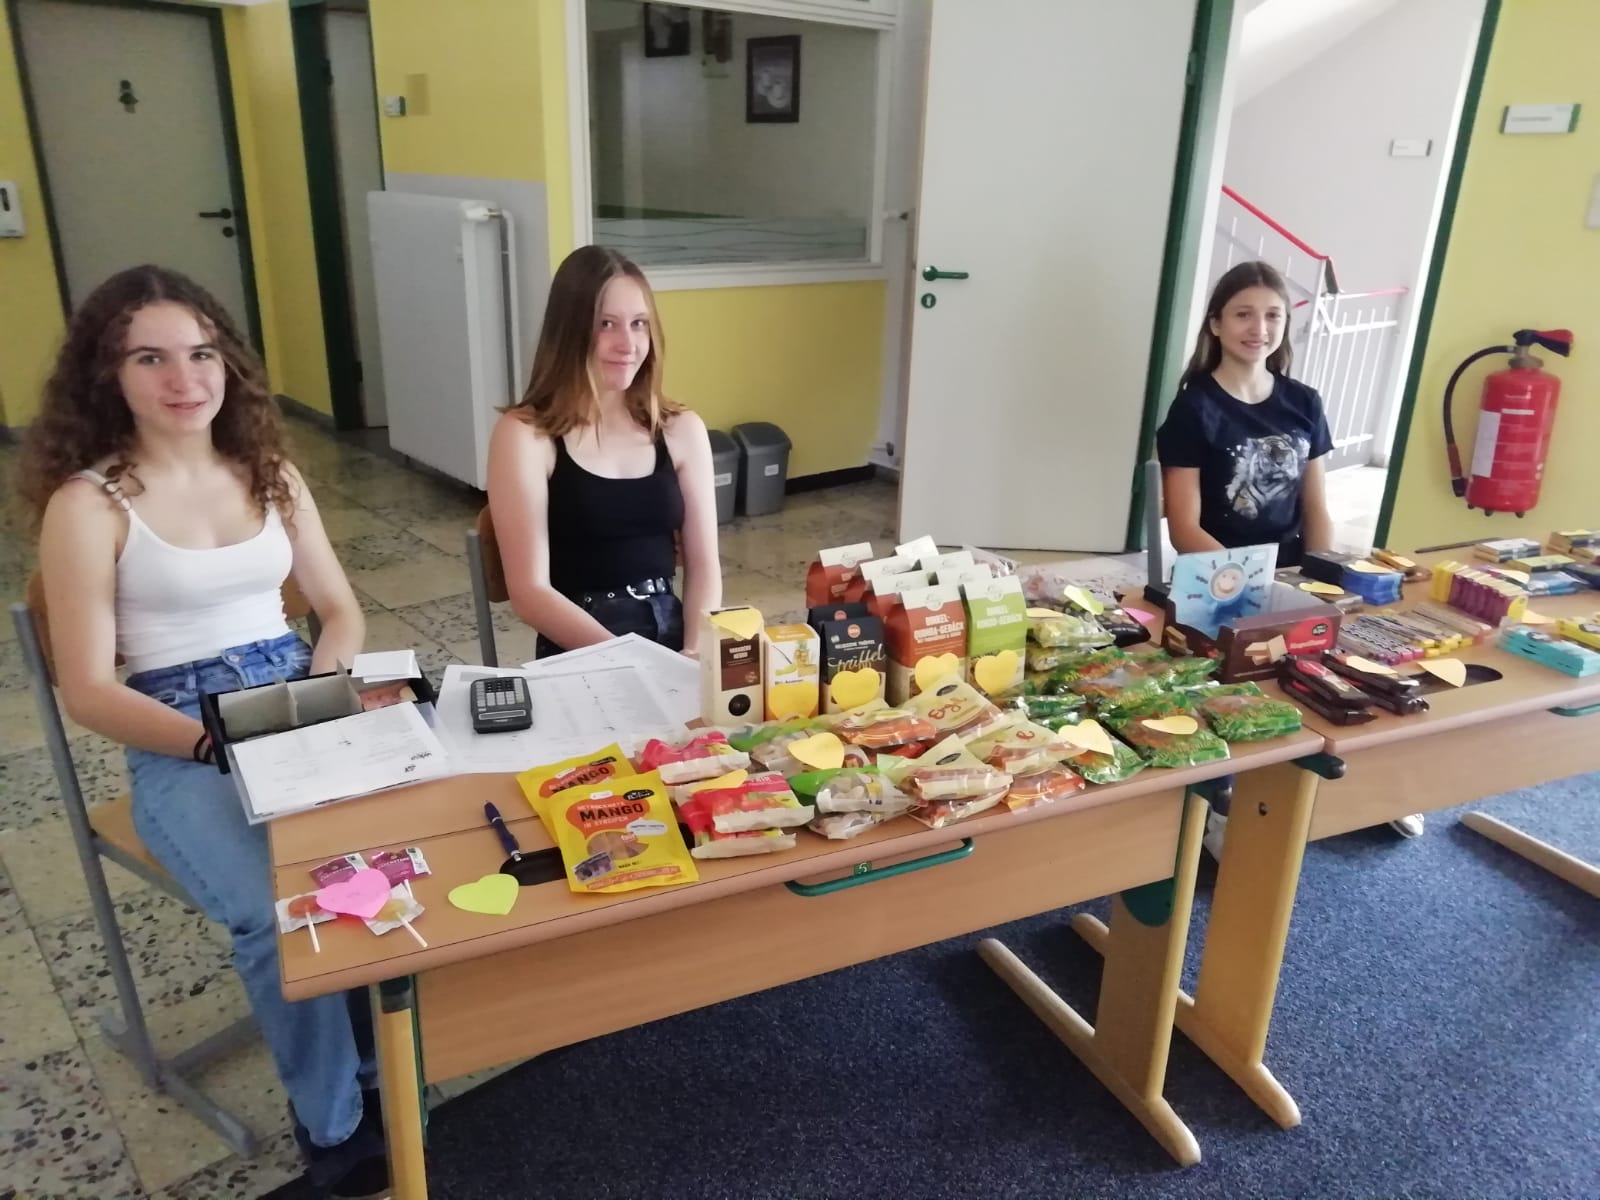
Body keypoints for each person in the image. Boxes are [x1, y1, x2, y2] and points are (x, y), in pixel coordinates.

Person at [17, 266, 385, 1198]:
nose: (184, 378)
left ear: (229, 364)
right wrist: (221, 742)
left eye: (201, 354)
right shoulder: (89, 503)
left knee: (389, 856)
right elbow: (89, 690)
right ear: (109, 375)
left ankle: (383, 1063)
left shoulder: (271, 471)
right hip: (178, 727)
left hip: (293, 692)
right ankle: (333, 1120)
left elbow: (341, 612)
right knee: (276, 908)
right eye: (150, 358)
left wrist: (314, 699)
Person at [1156, 261, 1423, 847]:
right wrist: (1253, 585)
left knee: (1336, 668)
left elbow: (1317, 505)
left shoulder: (1303, 401)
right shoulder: (1194, 409)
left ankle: (1370, 791)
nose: (1259, 328)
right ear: (1216, 324)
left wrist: (1325, 581)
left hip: (1292, 571)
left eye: (1272, 316)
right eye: (1244, 314)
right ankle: (1221, 802)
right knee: (1237, 690)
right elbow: (1184, 527)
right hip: (1217, 580)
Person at [487, 245, 721, 658]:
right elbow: (530, 594)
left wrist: (695, 652)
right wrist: (635, 663)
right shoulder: (524, 436)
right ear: (569, 331)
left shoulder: (682, 429)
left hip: (673, 641)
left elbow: (705, 566)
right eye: (606, 324)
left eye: (639, 324)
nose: (627, 344)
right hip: (580, 648)